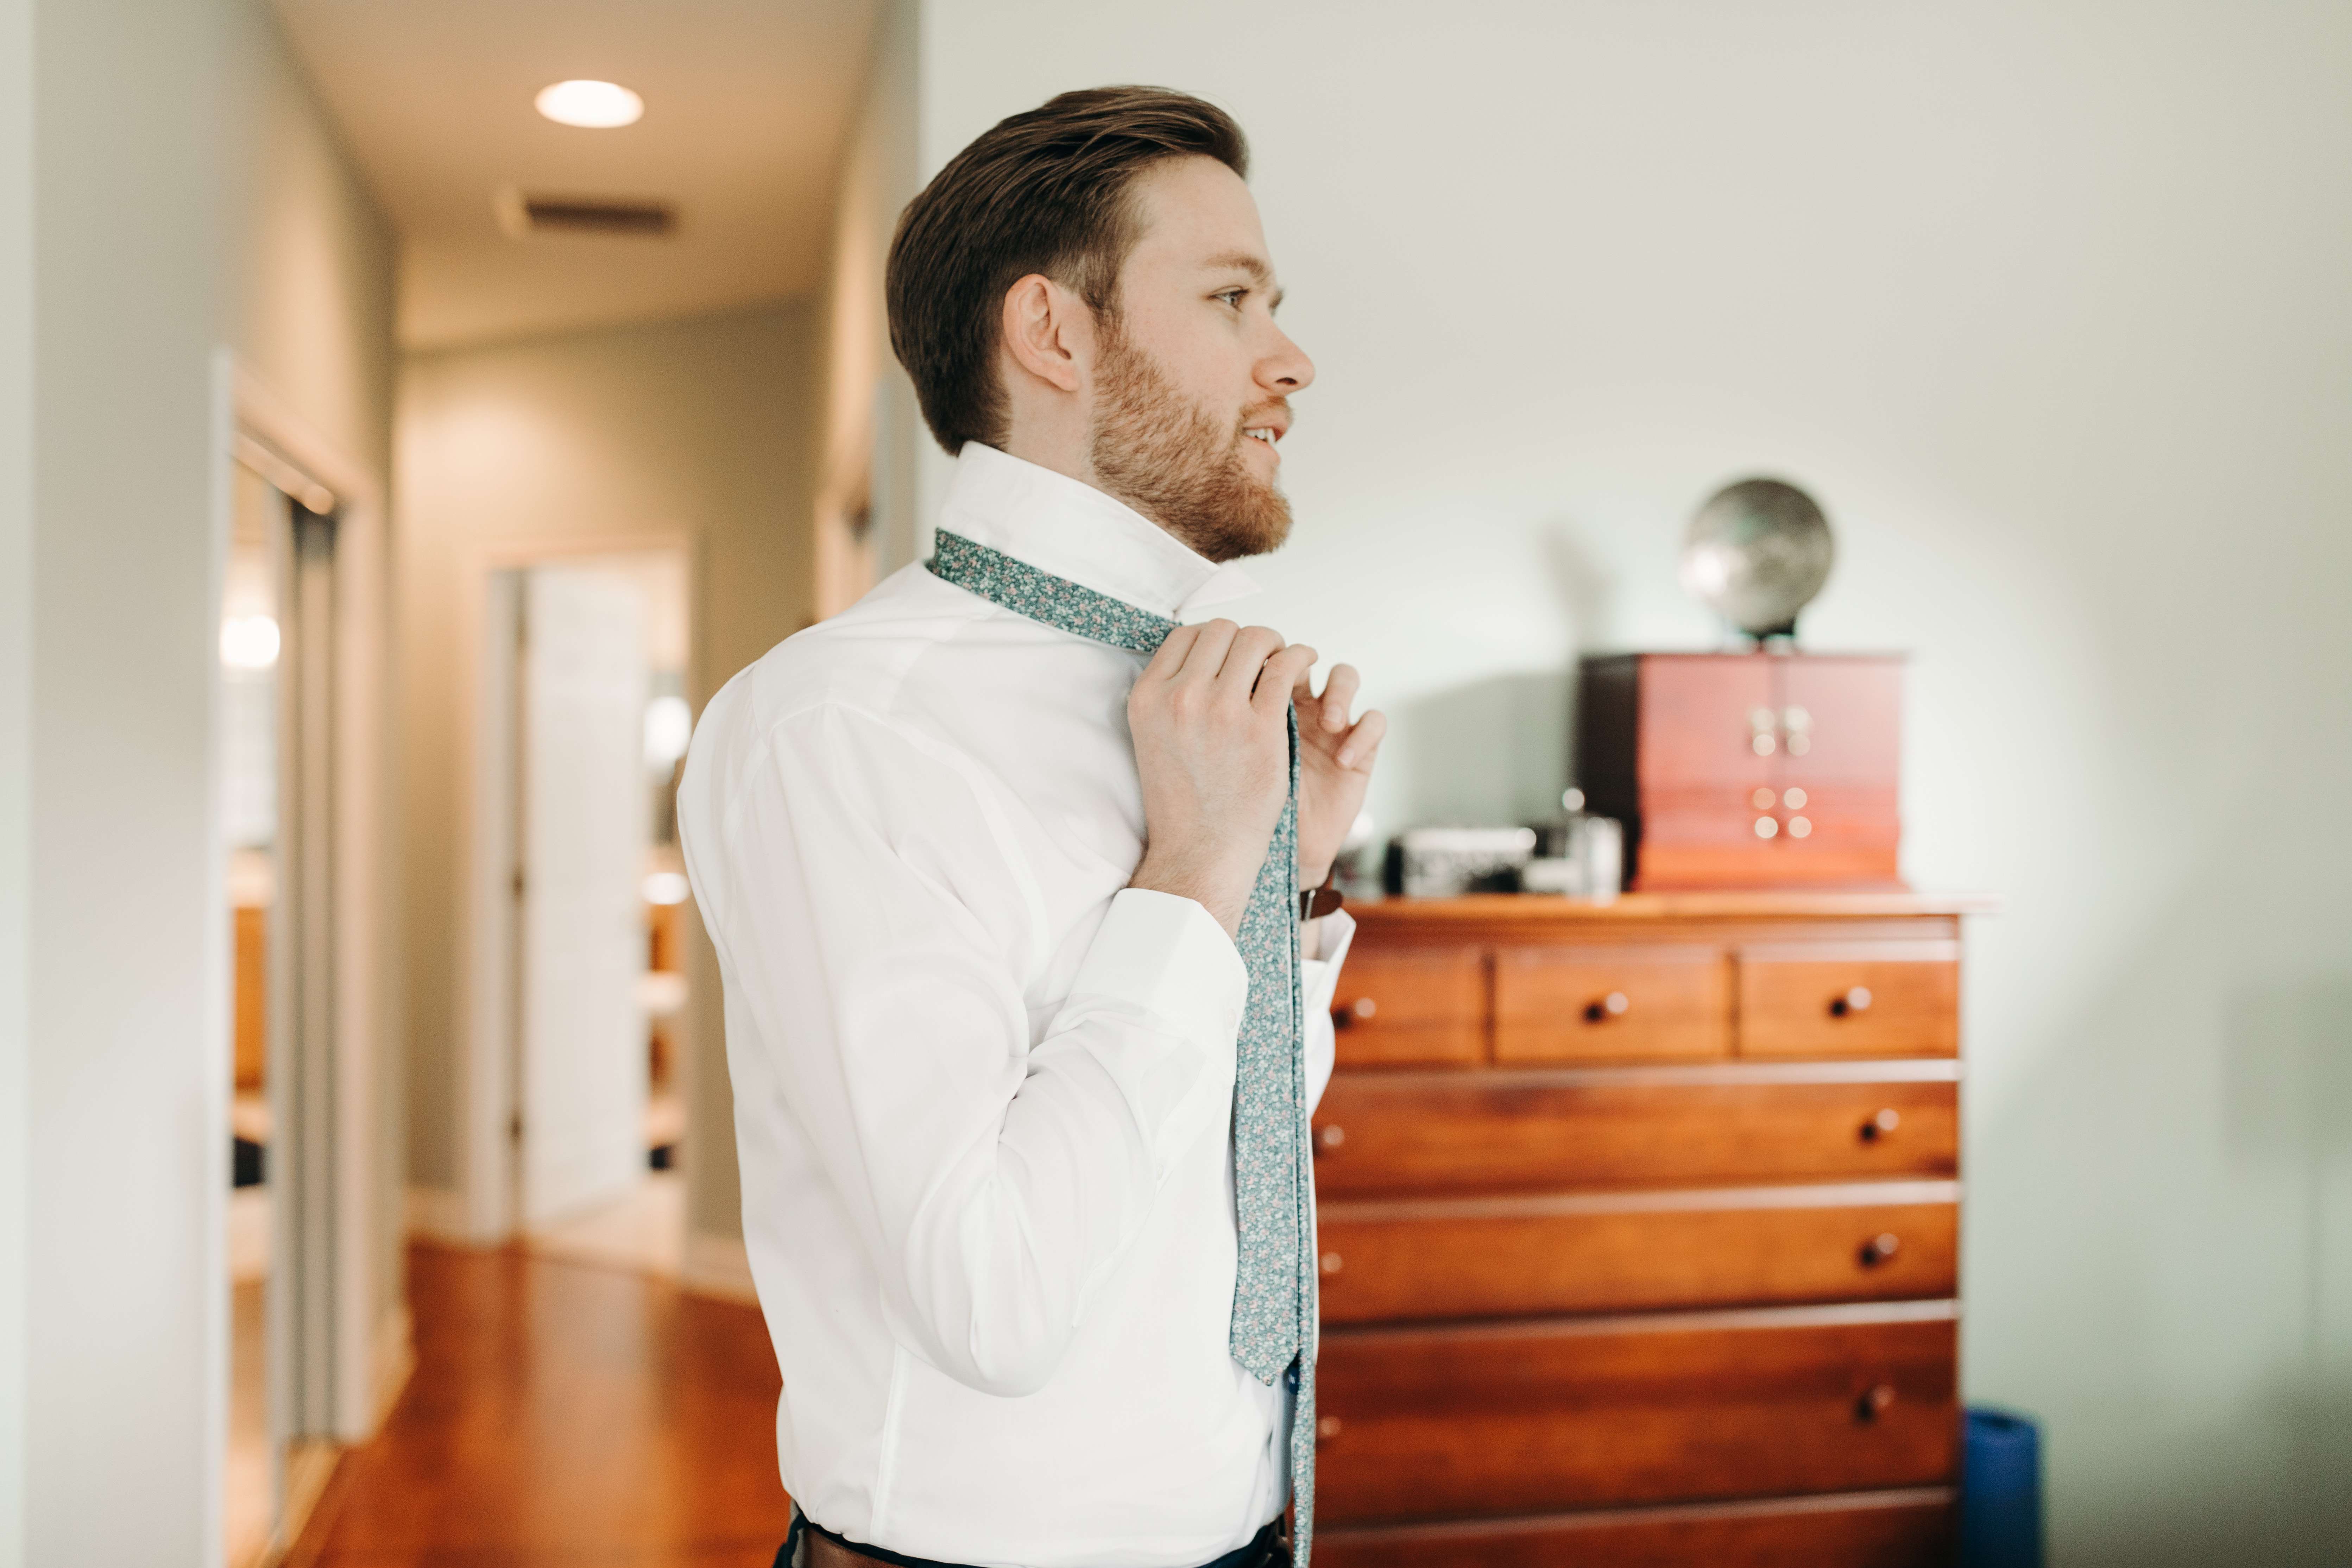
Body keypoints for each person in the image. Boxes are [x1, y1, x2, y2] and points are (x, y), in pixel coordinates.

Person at [676, 85, 1383, 1568]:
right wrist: (1193, 876)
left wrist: (1285, 881)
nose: (1292, 360)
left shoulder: (1198, 707)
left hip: (1251, 1532)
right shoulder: (840, 728)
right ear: (1053, 332)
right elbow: (991, 1297)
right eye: (1233, 298)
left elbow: (1212, 1165)